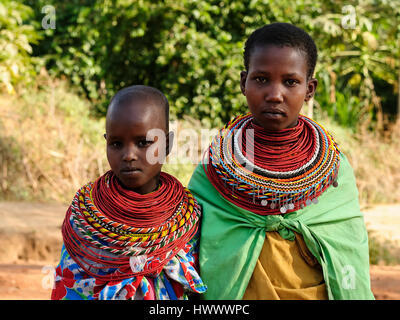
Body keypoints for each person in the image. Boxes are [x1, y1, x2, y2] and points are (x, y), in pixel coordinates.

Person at [188, 23, 374, 300]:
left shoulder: (334, 170)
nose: (275, 94)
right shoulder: (215, 167)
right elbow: (190, 244)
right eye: (262, 79)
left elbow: (348, 248)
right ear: (243, 82)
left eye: (290, 82)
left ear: (309, 89)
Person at [52, 85, 206, 300]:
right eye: (116, 143)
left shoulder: (188, 218)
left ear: (167, 144)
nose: (129, 155)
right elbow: (69, 286)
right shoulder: (85, 219)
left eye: (143, 143)